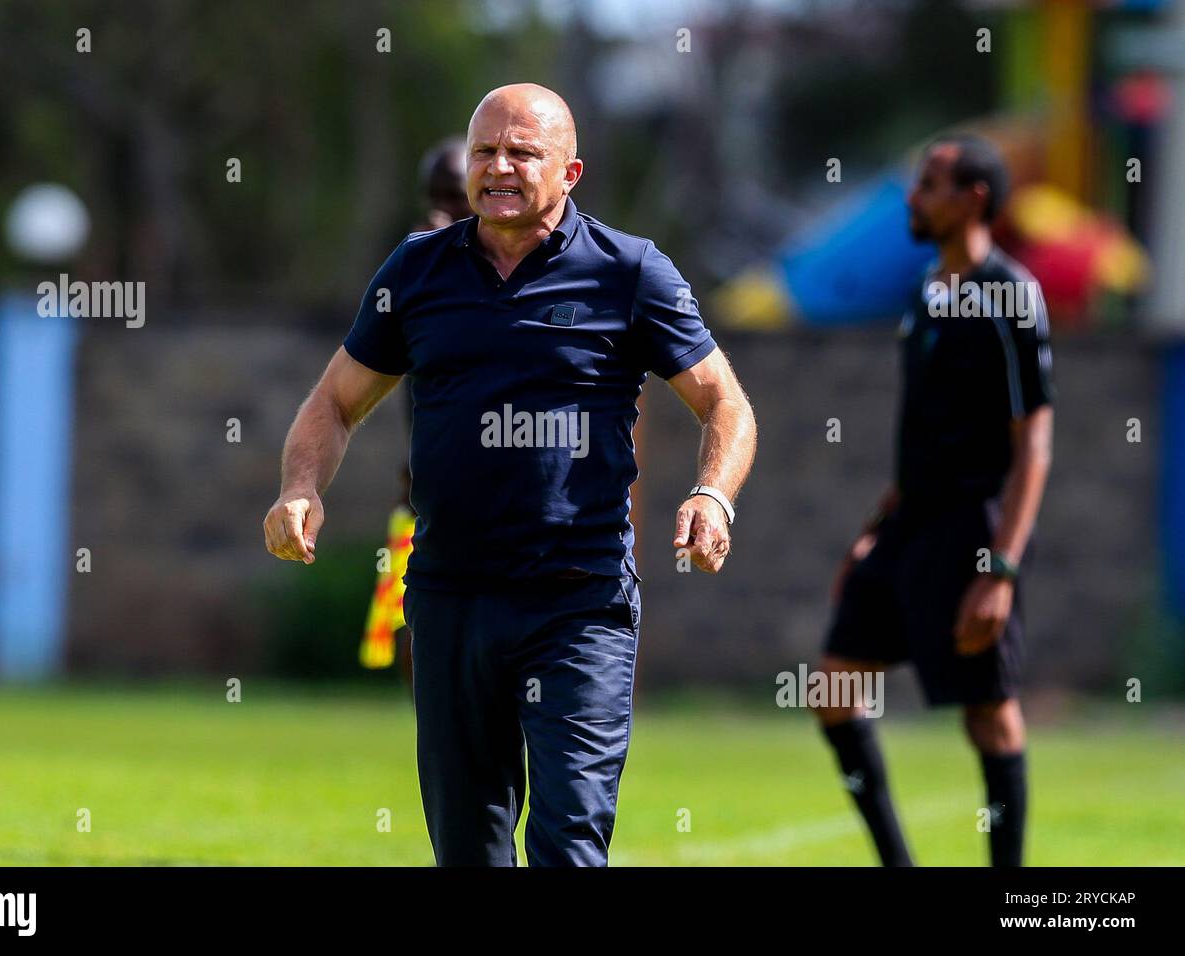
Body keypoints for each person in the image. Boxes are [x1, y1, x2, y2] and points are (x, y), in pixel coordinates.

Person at [264, 83, 757, 865]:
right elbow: (335, 400)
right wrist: (299, 486)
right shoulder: (418, 272)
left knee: (570, 842)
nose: (498, 166)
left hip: (580, 599)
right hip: (450, 598)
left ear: (570, 172)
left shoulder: (629, 271)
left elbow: (725, 403)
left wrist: (712, 494)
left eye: (522, 152)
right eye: (485, 151)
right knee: (470, 849)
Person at [811, 134, 1055, 867]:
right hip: (907, 525)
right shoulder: (926, 292)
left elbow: (1033, 445)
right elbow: (920, 437)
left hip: (973, 531)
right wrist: (874, 531)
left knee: (989, 716)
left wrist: (1001, 571)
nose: (913, 199)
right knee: (832, 690)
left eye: (929, 185)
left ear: (973, 197)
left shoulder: (1009, 293)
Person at [359, 137, 472, 684]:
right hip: (419, 493)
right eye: (435, 198)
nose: (440, 213)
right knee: (409, 624)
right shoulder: (418, 269)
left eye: (454, 199)